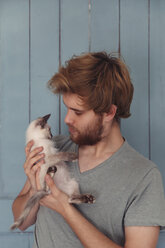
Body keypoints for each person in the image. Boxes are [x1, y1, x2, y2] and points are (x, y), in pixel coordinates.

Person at [12, 52, 165, 248]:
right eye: (67, 108)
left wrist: (65, 209)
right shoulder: (55, 146)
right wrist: (35, 187)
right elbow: (22, 222)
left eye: (78, 112)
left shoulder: (144, 177)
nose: (67, 119)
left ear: (109, 112)